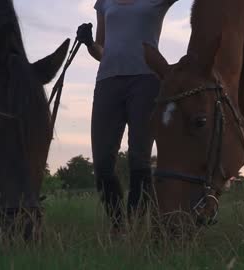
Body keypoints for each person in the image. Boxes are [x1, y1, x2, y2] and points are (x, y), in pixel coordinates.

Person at [76, 0, 178, 230]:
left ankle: (135, 226)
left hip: (147, 81)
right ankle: (118, 224)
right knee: (102, 162)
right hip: (107, 82)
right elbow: (102, 50)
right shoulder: (104, 2)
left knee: (139, 159)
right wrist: (89, 43)